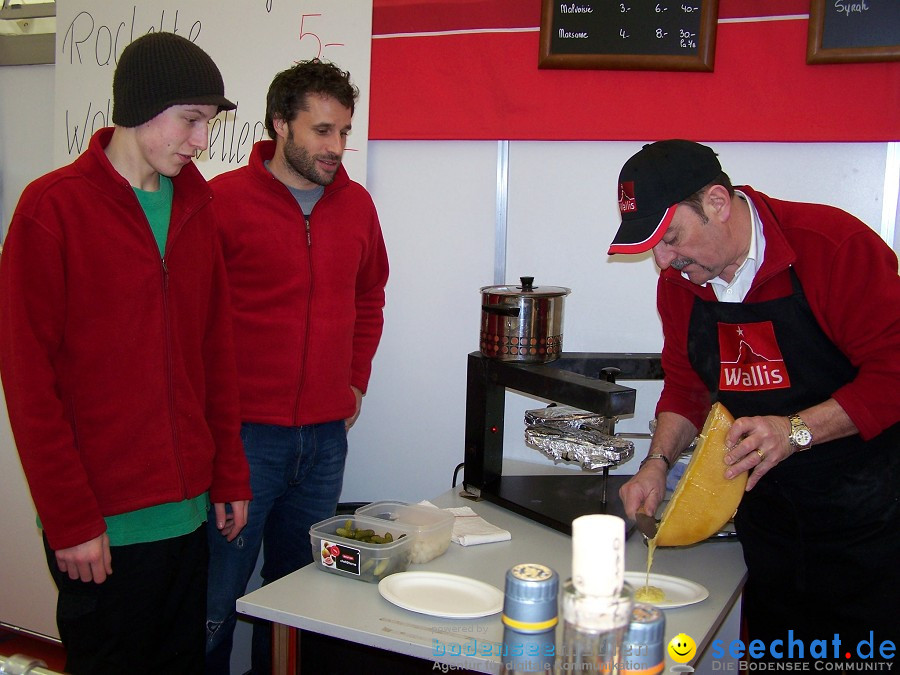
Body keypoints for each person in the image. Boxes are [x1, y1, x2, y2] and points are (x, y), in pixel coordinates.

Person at [0, 32, 252, 675]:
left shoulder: (198, 205)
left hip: (190, 515)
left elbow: (214, 356)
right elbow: (29, 384)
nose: (202, 140)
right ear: (141, 106)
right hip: (102, 527)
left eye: (208, 123)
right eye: (191, 120)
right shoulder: (52, 209)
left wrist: (227, 474)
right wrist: (68, 517)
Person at [610, 140, 900, 660]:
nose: (663, 261)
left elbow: (894, 372)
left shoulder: (832, 247)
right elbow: (687, 386)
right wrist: (656, 462)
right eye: (652, 247)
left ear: (718, 203)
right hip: (772, 527)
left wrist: (794, 430)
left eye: (670, 238)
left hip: (870, 523)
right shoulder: (682, 283)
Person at [205, 59, 389, 674]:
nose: (337, 147)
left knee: (301, 600)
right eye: (321, 131)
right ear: (280, 124)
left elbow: (370, 297)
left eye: (344, 131)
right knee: (214, 599)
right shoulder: (220, 203)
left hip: (325, 440)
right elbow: (191, 320)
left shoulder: (357, 206)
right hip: (243, 440)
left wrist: (355, 377)